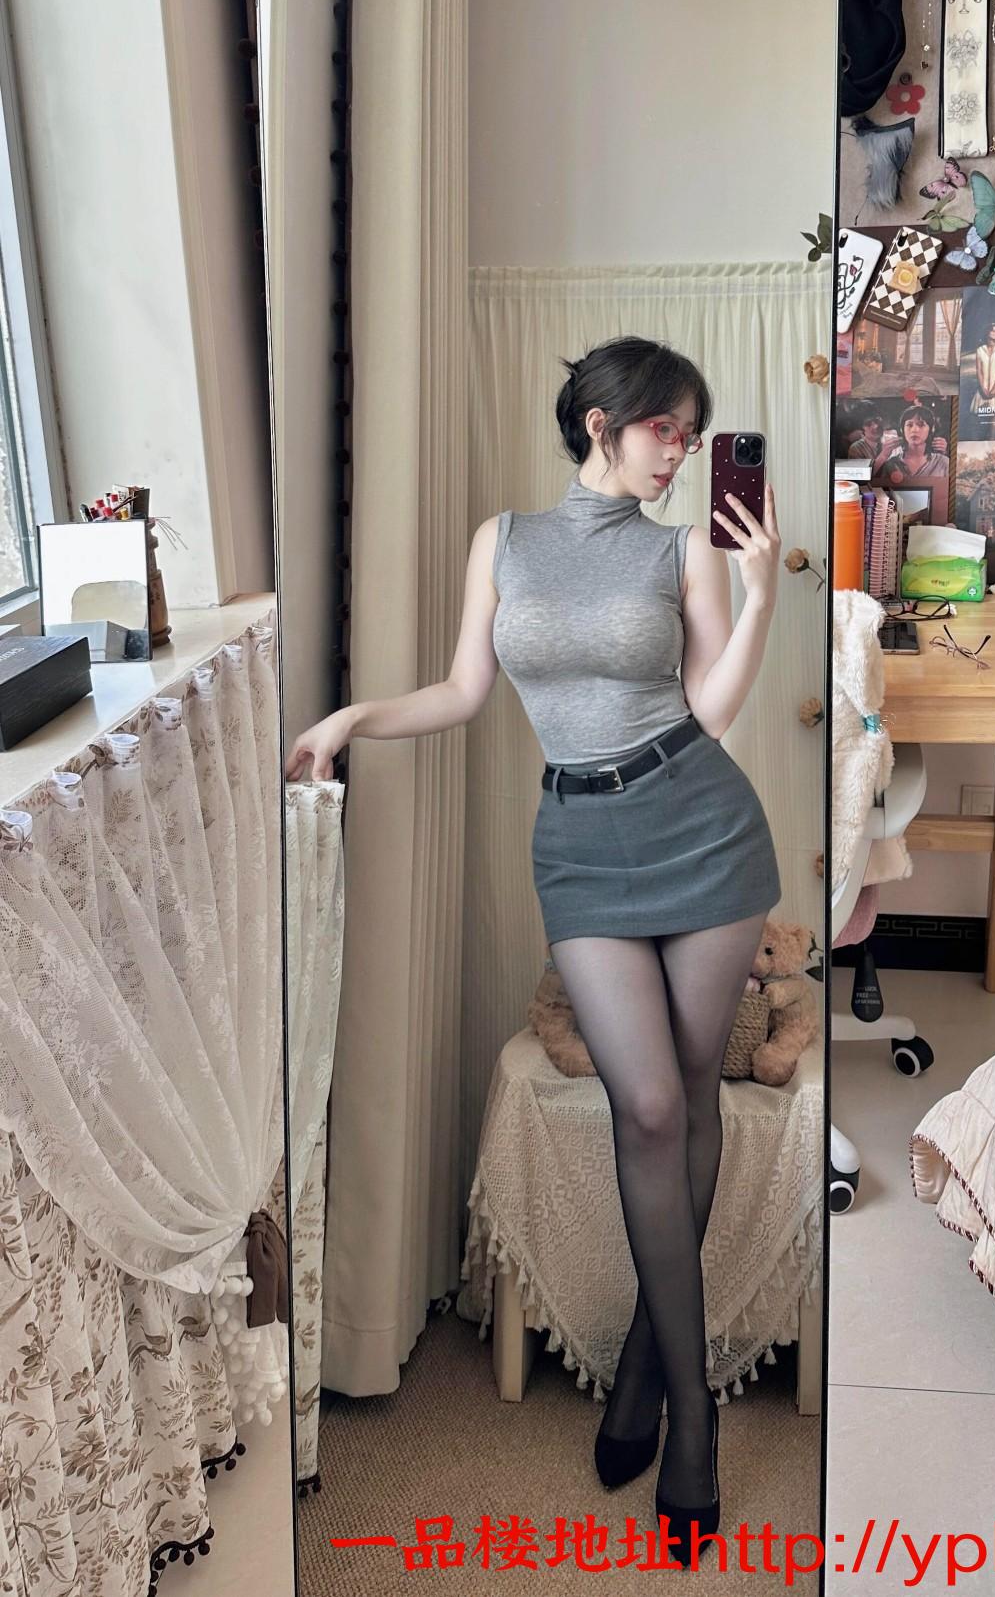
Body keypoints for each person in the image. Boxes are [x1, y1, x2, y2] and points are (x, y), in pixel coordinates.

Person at [284, 335, 783, 1567]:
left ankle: (672, 1404)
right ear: (601, 423)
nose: (680, 451)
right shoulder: (502, 541)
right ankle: (669, 1375)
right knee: (648, 1103)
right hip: (581, 847)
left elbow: (711, 710)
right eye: (665, 428)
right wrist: (352, 717)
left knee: (687, 1095)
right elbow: (464, 690)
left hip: (705, 832)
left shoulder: (686, 550)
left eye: (692, 433)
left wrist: (761, 596)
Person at [871, 402, 950, 481]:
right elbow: (869, 483)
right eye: (909, 425)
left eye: (921, 425)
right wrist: (883, 455)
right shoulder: (891, 464)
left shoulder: (943, 462)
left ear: (931, 429)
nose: (914, 430)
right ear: (902, 429)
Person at [971, 320, 995, 418]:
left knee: (994, 417)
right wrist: (982, 388)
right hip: (983, 387)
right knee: (981, 417)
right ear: (987, 332)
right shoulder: (980, 350)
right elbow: (979, 371)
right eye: (993, 331)